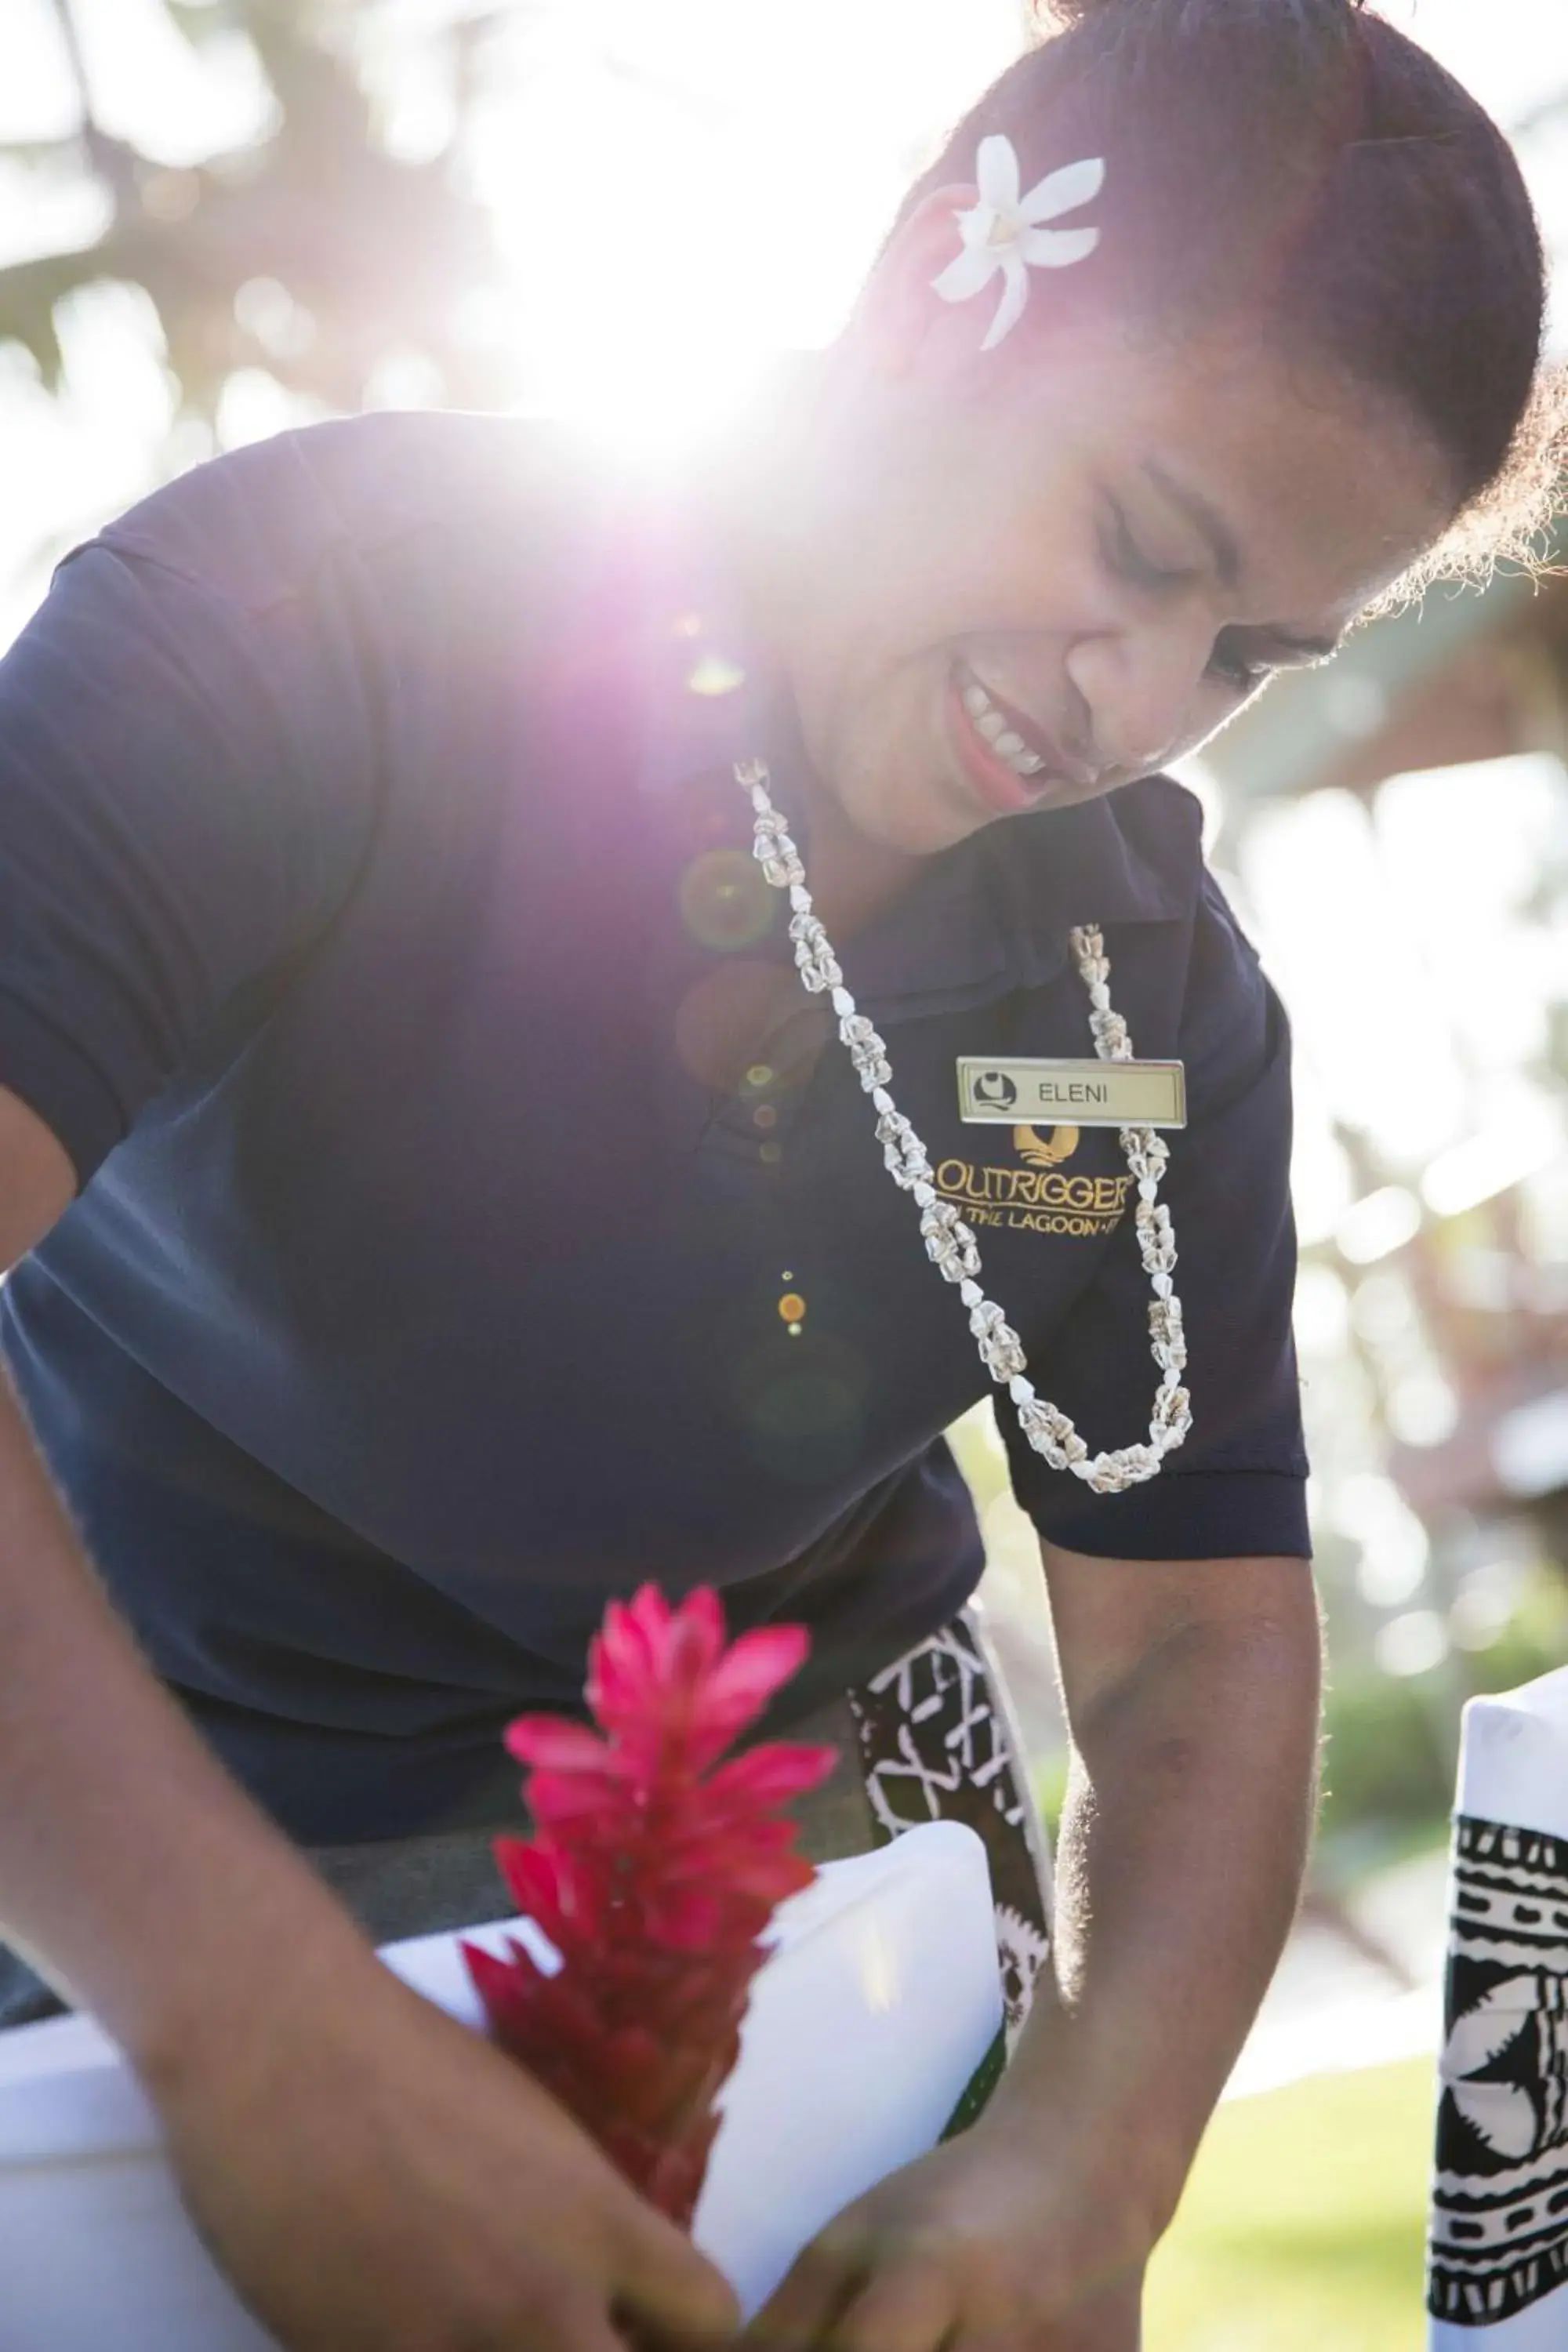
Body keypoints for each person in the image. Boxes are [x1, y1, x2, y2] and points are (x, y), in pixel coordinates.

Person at [0, 0, 1558, 2343]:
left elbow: (1199, 1637)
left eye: (1241, 650)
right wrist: (255, 2028)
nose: (1133, 695)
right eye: (1136, 539)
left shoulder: (1141, 1006)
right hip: (128, 1825)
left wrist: (1096, 2164)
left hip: (810, 1883)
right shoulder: (314, 624)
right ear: (951, 276)